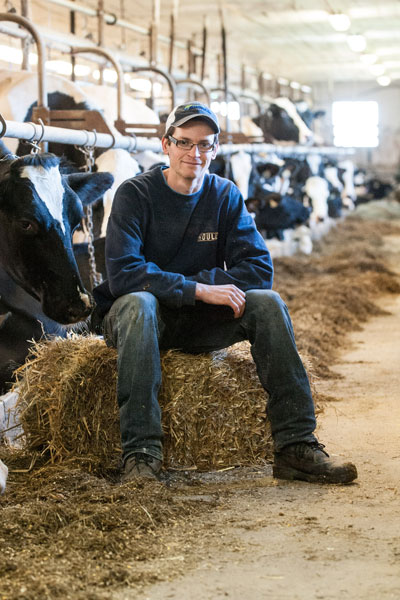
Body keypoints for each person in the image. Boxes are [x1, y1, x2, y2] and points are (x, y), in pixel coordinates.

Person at [93, 101, 357, 485]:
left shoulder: (225, 195)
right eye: (184, 142)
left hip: (194, 322)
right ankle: (141, 454)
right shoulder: (135, 195)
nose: (194, 153)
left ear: (215, 150)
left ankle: (296, 446)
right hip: (139, 323)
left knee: (268, 303)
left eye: (205, 144)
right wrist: (200, 288)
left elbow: (258, 269)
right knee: (139, 303)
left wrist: (202, 292)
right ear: (166, 145)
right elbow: (124, 275)